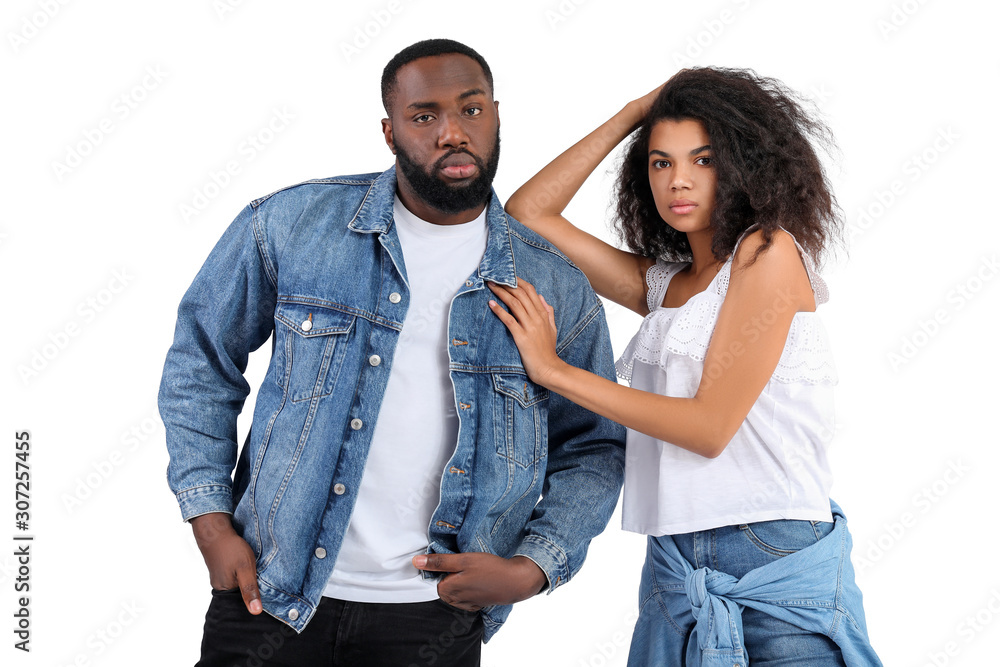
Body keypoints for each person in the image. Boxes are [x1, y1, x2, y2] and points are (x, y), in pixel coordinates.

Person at [158, 38, 625, 666]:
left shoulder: (554, 283)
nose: (452, 133)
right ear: (390, 130)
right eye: (424, 115)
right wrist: (210, 521)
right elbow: (200, 363)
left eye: (471, 110)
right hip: (270, 596)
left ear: (496, 117)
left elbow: (594, 443)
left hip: (432, 618)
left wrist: (536, 567)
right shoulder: (291, 225)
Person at [488, 68, 882, 666]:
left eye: (703, 159)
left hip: (773, 556)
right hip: (674, 563)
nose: (679, 181)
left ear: (744, 164)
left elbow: (708, 428)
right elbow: (529, 214)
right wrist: (632, 114)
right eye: (660, 162)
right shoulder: (669, 287)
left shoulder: (767, 252)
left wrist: (555, 370)